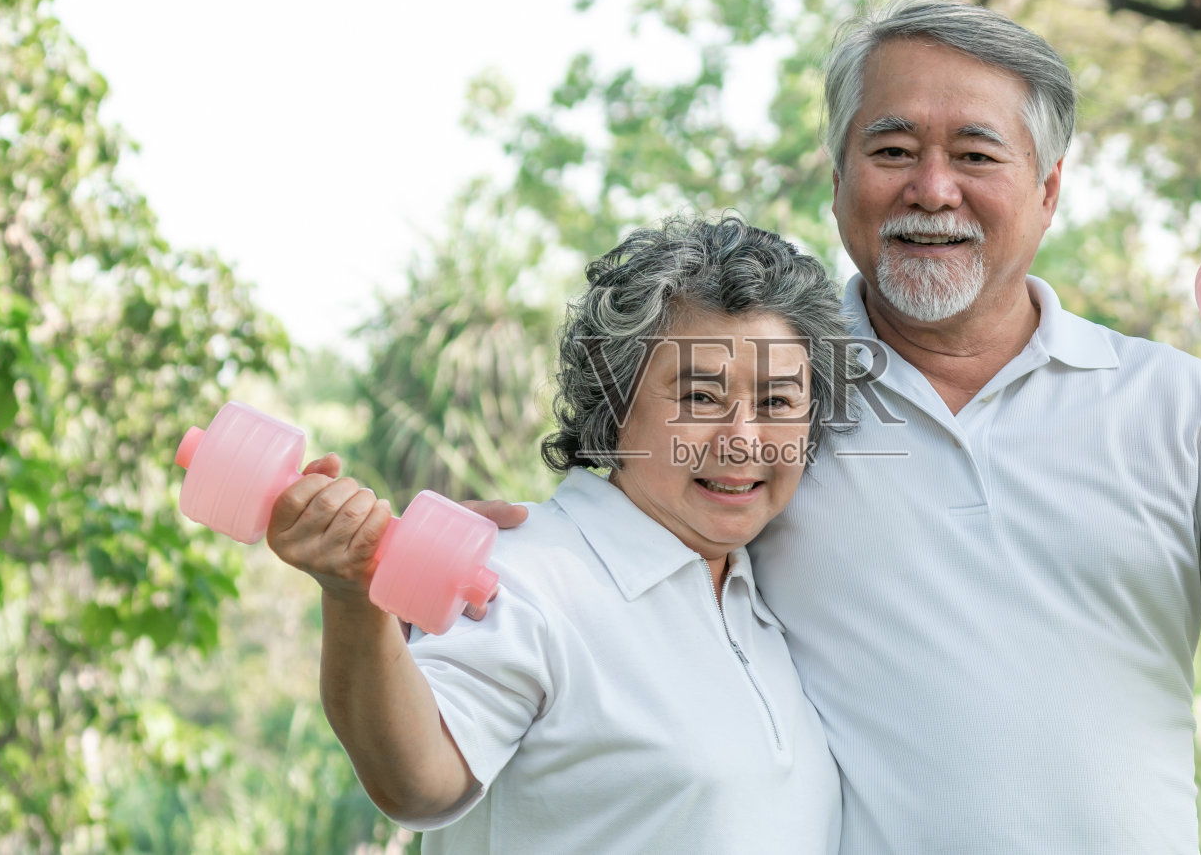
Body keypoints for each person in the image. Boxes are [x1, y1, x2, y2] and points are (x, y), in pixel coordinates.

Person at [466, 0, 1201, 854]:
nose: (931, 188)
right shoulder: (773, 398)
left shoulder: (1175, 405)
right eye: (891, 151)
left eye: (975, 153)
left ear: (1048, 190)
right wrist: (486, 546)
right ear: (838, 182)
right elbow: (607, 541)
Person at [266, 215, 852, 854]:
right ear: (615, 403)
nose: (742, 439)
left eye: (776, 403)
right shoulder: (523, 572)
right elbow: (417, 782)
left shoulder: (767, 595)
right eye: (700, 398)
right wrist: (353, 599)